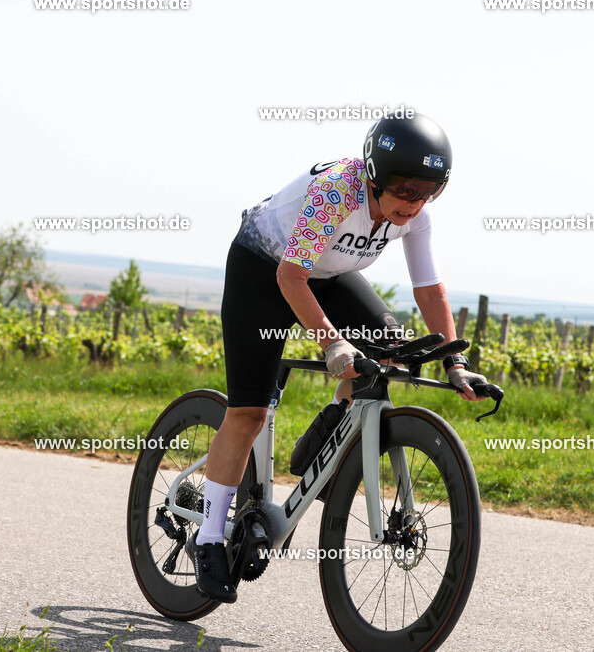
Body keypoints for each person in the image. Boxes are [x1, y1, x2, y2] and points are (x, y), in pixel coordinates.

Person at [185, 113, 488, 602]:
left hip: (325, 273)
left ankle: (330, 427)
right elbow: (289, 278)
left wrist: (454, 362)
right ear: (373, 172)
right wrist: (332, 342)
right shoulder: (337, 192)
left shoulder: (417, 216)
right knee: (249, 413)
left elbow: (430, 290)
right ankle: (210, 537)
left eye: (429, 190)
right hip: (266, 270)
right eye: (405, 188)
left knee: (390, 348)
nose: (414, 201)